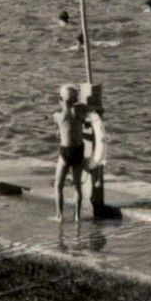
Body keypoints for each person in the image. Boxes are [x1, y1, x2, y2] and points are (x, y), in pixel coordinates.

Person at [53, 85, 86, 222]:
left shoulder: (57, 115)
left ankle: (60, 216)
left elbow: (61, 130)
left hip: (66, 151)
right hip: (78, 149)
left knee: (58, 185)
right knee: (77, 185)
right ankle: (77, 216)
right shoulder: (80, 112)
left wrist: (60, 132)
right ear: (75, 99)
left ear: (60, 99)